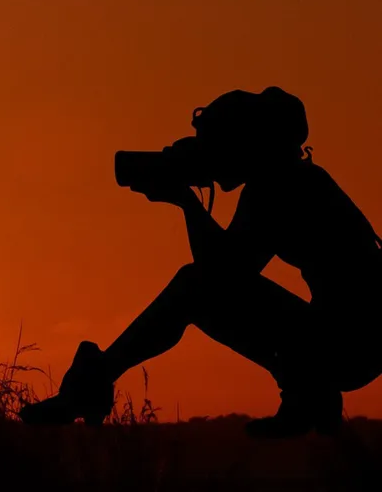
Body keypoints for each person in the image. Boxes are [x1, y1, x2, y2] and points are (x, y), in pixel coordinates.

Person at [20, 87, 382, 438]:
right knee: (197, 287)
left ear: (248, 145)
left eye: (220, 144)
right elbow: (229, 272)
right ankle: (309, 395)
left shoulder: (279, 187)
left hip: (351, 345)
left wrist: (186, 202)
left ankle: (91, 386)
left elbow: (225, 274)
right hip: (351, 340)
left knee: (192, 287)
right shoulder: (294, 178)